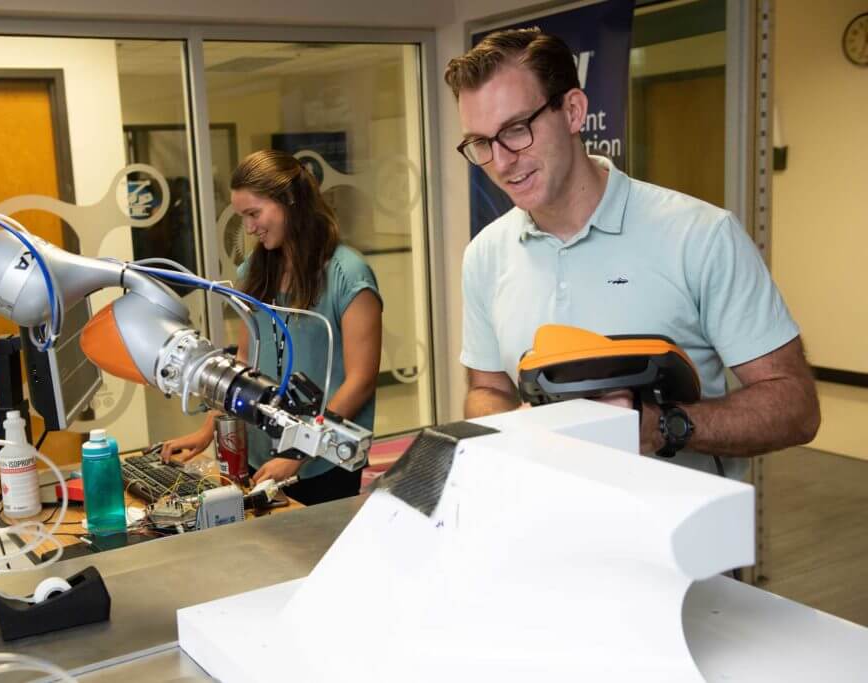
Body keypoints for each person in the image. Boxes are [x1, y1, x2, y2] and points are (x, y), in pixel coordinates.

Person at [446, 28, 819, 478]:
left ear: (573, 111)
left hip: (679, 536)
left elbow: (795, 406)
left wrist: (660, 427)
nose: (502, 162)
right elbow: (488, 387)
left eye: (516, 130)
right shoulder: (485, 254)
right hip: (546, 527)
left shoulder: (701, 235)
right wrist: (517, 430)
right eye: (481, 143)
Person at [161, 150, 383, 504]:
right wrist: (208, 431)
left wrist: (296, 454)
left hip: (321, 465)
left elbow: (360, 380)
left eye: (254, 213)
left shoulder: (349, 275)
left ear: (290, 201)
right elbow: (245, 363)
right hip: (261, 456)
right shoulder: (254, 269)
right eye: (242, 217)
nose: (249, 228)